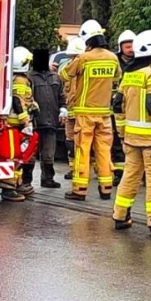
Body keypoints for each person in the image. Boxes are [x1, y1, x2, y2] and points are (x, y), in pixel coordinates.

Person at [113, 30, 151, 236]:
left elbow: (117, 106)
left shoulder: (129, 75)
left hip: (130, 139)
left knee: (130, 176)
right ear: (148, 52)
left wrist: (121, 134)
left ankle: (120, 215)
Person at [67, 20, 122, 200]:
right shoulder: (112, 57)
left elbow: (65, 74)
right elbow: (117, 76)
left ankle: (79, 190)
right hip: (104, 113)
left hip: (85, 112)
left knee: (83, 150)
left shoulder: (84, 58)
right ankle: (106, 187)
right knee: (104, 150)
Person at [0, 47, 37, 202]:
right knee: (18, 156)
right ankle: (8, 187)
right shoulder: (20, 80)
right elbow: (18, 101)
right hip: (17, 125)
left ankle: (17, 183)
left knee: (19, 155)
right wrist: (26, 121)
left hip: (13, 124)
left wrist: (34, 105)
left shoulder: (14, 78)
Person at [27, 49, 65, 188]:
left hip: (51, 122)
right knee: (30, 154)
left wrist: (63, 109)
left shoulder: (55, 77)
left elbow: (61, 96)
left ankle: (47, 178)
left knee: (49, 153)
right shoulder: (29, 77)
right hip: (34, 122)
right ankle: (26, 180)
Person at [111, 29, 137, 191]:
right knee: (117, 139)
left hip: (133, 106)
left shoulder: (140, 62)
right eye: (127, 47)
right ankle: (120, 172)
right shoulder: (115, 61)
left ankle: (133, 171)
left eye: (132, 46)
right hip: (117, 105)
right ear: (121, 47)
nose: (131, 49)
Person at [58, 36, 86, 166]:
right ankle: (73, 167)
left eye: (76, 57)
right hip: (70, 113)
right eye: (72, 57)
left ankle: (85, 166)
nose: (74, 60)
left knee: (84, 142)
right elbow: (64, 91)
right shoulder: (67, 70)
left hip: (83, 114)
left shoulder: (85, 70)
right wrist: (63, 109)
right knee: (70, 141)